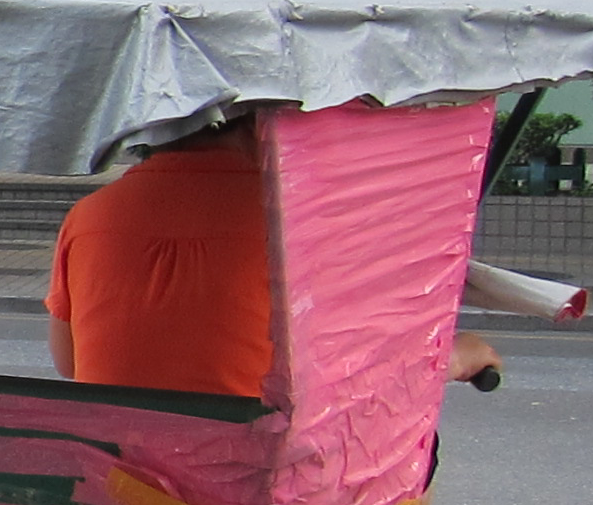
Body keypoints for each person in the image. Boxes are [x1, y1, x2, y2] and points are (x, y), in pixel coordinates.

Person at [48, 115, 498, 397]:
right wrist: (454, 358)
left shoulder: (89, 215)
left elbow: (70, 362)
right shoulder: (308, 218)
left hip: (120, 479)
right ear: (261, 122)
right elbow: (366, 370)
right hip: (266, 488)